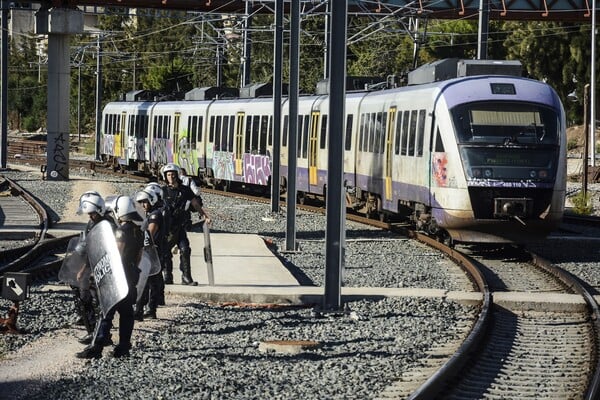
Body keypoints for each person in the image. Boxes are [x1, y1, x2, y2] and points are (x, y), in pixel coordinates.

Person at [77, 196, 144, 359]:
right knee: (127, 314)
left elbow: (116, 255)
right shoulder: (138, 231)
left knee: (106, 312)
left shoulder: (121, 231)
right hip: (131, 276)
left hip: (117, 277)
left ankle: (96, 347)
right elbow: (139, 257)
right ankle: (123, 347)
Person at [72, 191, 115, 346]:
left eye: (92, 214)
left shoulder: (107, 225)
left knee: (101, 303)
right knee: (85, 299)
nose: (90, 217)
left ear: (99, 210)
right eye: (88, 214)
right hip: (91, 265)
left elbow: (102, 250)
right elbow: (86, 245)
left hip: (102, 268)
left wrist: (84, 269)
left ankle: (101, 333)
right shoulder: (92, 223)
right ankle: (92, 331)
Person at [161, 163, 211, 285]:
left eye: (173, 174)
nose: (171, 177)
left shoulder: (185, 190)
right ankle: (167, 276)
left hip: (180, 226)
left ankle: (186, 277)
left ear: (177, 175)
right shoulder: (162, 191)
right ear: (165, 176)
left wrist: (204, 215)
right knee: (166, 251)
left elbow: (195, 203)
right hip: (167, 227)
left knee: (185, 249)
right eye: (168, 175)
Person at [134, 186, 165, 320]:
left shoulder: (154, 215)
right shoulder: (150, 214)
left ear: (152, 200)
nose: (143, 205)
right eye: (141, 202)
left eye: (145, 202)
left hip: (153, 253)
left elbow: (150, 233)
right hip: (152, 252)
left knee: (148, 281)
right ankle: (148, 309)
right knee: (153, 281)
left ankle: (143, 310)